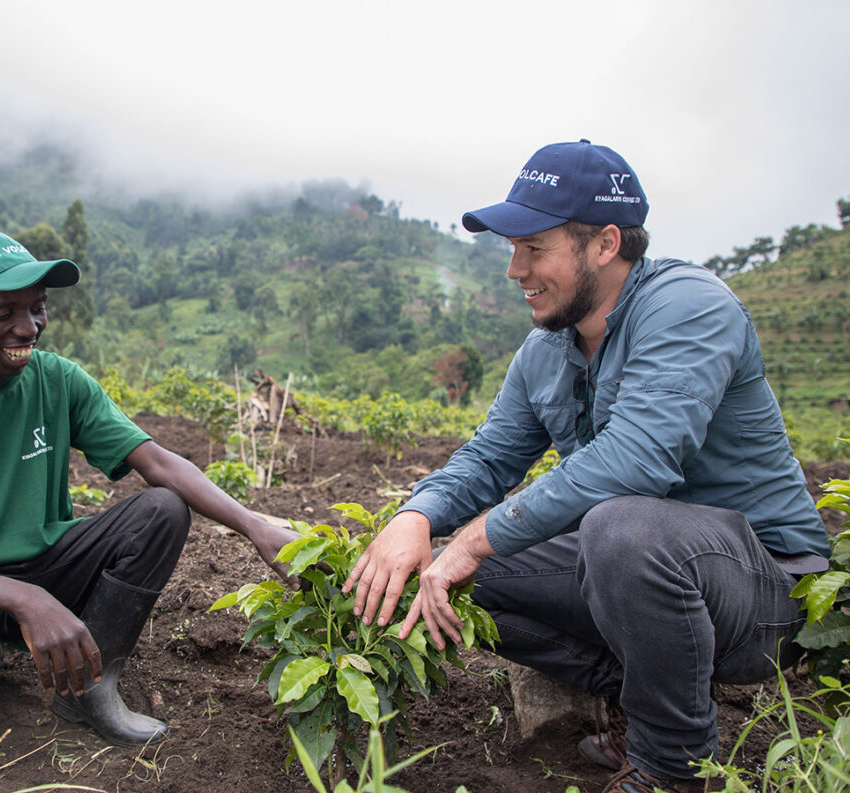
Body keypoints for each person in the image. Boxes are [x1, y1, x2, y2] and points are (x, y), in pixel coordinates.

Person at [343, 140, 830, 793]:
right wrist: (417, 516)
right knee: (446, 574)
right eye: (512, 249)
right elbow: (490, 455)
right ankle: (647, 695)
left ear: (604, 243)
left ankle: (672, 768)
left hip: (764, 591)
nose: (515, 269)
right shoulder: (545, 347)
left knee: (620, 528)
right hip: (641, 573)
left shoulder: (688, 305)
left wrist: (479, 535)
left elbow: (637, 460)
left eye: (535, 248)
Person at [0, 230, 297, 747]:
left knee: (162, 509)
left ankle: (90, 685)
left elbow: (158, 463)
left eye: (38, 307)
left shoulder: (57, 380)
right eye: (5, 313)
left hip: (56, 568)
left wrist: (256, 526)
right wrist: (28, 601)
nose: (28, 327)